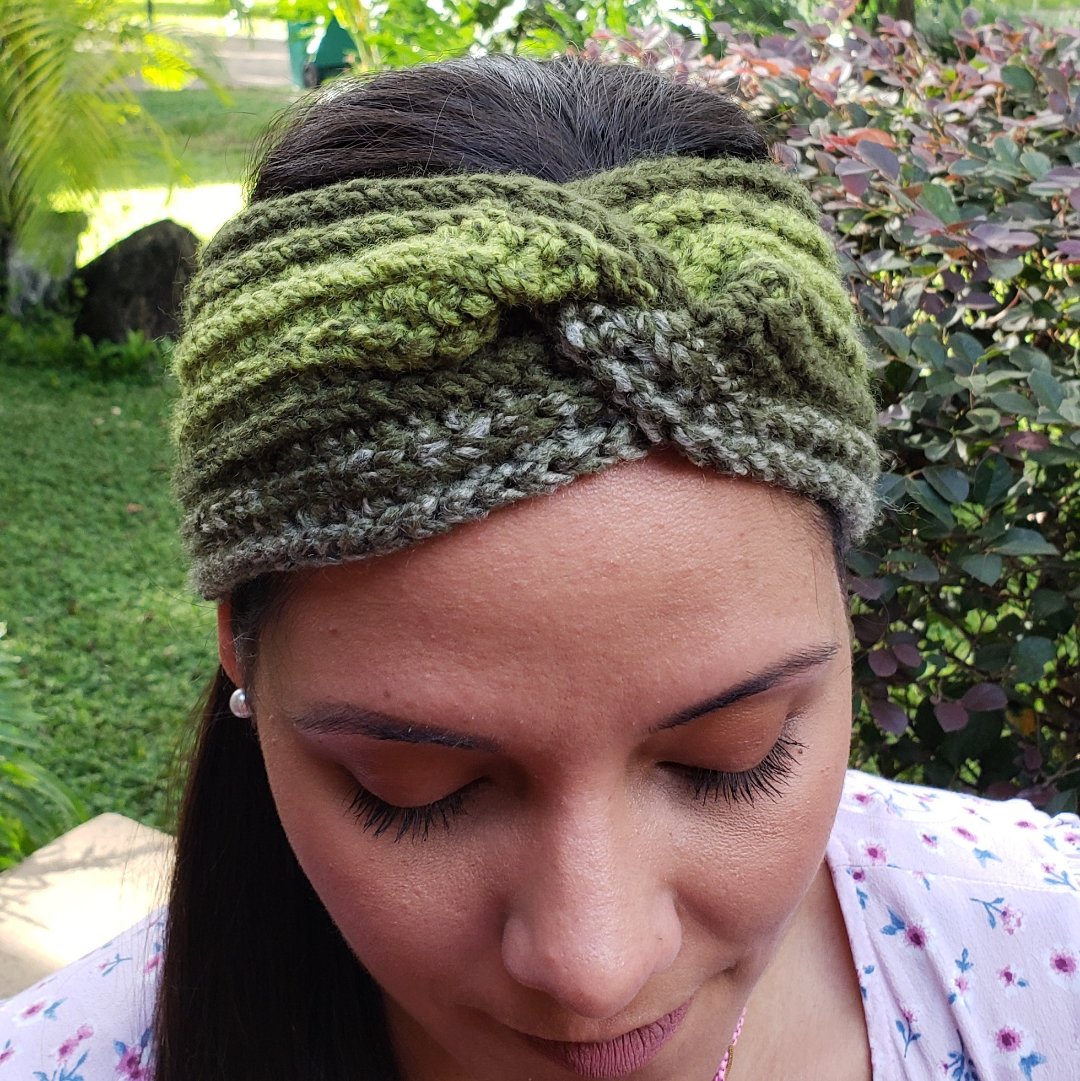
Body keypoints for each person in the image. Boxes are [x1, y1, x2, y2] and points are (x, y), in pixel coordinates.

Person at [1, 54, 1077, 1081]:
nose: (594, 968)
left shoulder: (1040, 949)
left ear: (838, 608)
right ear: (242, 647)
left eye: (733, 758)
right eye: (415, 792)